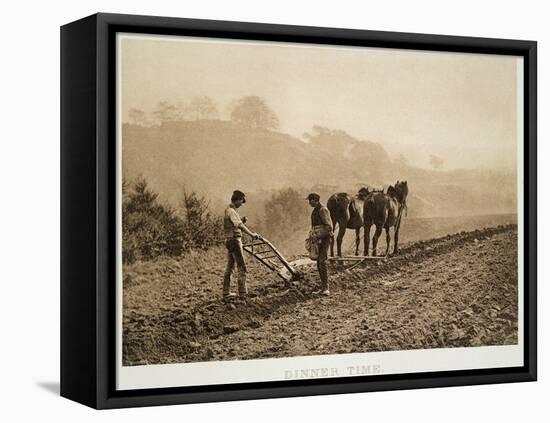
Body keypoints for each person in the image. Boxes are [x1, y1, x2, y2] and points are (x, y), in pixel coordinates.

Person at [223, 190, 259, 301]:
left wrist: (242, 220)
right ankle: (243, 294)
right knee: (242, 267)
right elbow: (239, 225)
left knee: (230, 267)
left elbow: (234, 224)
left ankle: (226, 293)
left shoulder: (228, 210)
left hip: (229, 240)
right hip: (234, 240)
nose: (241, 204)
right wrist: (251, 234)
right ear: (237, 199)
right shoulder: (232, 211)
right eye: (241, 201)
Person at [306, 193, 333, 296]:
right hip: (318, 239)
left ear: (315, 200)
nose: (309, 203)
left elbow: (328, 227)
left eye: (310, 200)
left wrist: (318, 236)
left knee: (322, 261)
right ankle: (322, 287)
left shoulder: (323, 210)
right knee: (318, 262)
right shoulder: (315, 211)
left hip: (325, 239)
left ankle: (326, 288)